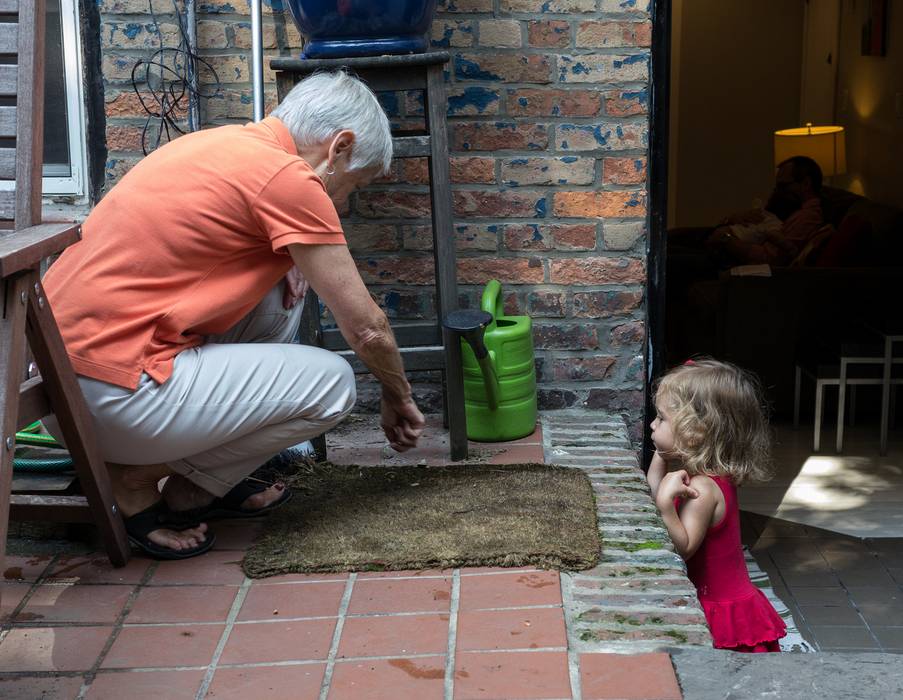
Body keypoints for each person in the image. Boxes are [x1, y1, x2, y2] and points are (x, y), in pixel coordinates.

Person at [41, 71, 425, 559]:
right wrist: (397, 394)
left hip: (58, 388)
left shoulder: (220, 145)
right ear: (339, 148)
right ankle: (138, 481)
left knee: (283, 295)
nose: (345, 202)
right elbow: (368, 327)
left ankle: (216, 475)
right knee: (333, 386)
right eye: (354, 184)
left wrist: (282, 260)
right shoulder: (289, 180)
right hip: (109, 398)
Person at [646, 359, 786, 653]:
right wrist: (660, 454)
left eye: (661, 418)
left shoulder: (703, 489)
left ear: (694, 432)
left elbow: (684, 547)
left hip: (719, 610)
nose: (652, 424)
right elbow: (655, 490)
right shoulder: (714, 475)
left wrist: (665, 506)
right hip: (722, 597)